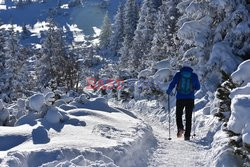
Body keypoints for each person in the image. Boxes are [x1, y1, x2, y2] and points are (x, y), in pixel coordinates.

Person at [166, 65, 200, 141]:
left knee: (178, 114)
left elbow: (173, 83)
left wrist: (169, 90)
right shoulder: (194, 75)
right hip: (190, 99)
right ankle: (187, 135)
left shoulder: (178, 74)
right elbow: (198, 87)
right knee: (188, 117)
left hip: (180, 98)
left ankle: (180, 128)